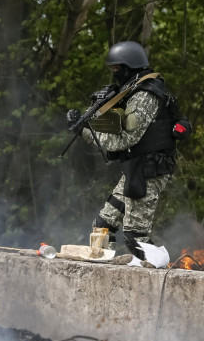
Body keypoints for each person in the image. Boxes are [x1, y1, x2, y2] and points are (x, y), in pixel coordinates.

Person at [67, 41, 191, 260]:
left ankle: (163, 271)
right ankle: (102, 269)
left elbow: (126, 139)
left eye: (117, 68)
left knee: (136, 237)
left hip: (150, 170)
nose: (114, 73)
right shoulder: (130, 90)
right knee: (102, 227)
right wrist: (83, 122)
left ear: (130, 67)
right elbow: (110, 122)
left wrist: (86, 133)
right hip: (136, 168)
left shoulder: (145, 95)